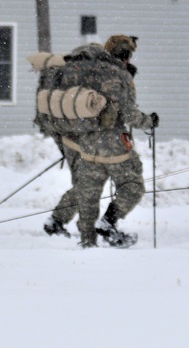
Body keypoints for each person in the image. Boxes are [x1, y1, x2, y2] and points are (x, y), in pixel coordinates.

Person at [50, 35, 158, 248]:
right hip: (113, 144)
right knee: (132, 187)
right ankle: (108, 222)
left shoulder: (80, 73)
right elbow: (128, 114)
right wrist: (149, 121)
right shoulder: (118, 74)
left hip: (86, 143)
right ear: (126, 56)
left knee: (87, 193)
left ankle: (87, 241)